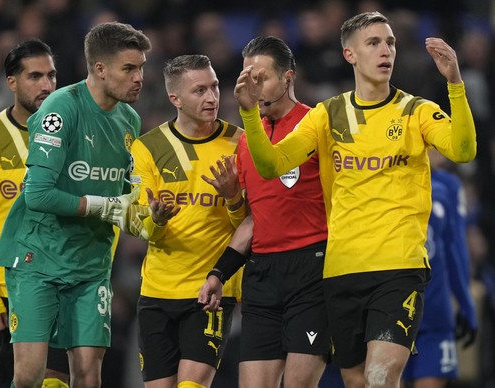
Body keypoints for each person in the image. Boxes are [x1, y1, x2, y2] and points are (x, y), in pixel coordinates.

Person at [234, 11, 476, 387]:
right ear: (350, 54)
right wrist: (250, 113)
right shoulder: (326, 115)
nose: (386, 51)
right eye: (374, 43)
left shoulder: (416, 111)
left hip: (398, 267)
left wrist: (455, 84)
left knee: (382, 376)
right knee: (357, 380)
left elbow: (462, 149)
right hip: (341, 270)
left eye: (391, 43)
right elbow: (272, 165)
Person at [0, 22, 152, 388]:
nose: (140, 77)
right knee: (29, 375)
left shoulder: (130, 120)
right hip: (39, 257)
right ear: (99, 68)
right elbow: (38, 194)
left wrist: (144, 217)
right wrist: (101, 206)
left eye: (142, 67)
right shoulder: (60, 109)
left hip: (91, 263)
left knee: (87, 376)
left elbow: (123, 197)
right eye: (129, 68)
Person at [197, 36, 329, 388]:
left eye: (261, 78)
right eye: (246, 78)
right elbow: (256, 218)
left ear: (288, 78)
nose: (251, 87)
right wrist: (218, 272)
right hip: (262, 276)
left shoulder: (317, 126)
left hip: (312, 270)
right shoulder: (245, 144)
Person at [0, 39, 73, 388]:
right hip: (9, 286)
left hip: (64, 280)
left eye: (51, 76)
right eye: (35, 76)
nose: (47, 85)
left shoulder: (76, 132)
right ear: (12, 82)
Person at [129, 54, 246, 388]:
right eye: (199, 91)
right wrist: (157, 219)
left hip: (211, 291)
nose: (211, 97)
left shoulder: (239, 143)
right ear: (175, 98)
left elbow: (249, 224)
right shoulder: (147, 148)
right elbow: (141, 227)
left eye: (214, 87)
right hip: (156, 292)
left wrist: (232, 197)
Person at [402, 150, 478, 387]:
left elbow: (456, 248)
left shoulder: (449, 187)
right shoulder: (388, 181)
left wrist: (465, 303)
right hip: (393, 308)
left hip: (435, 310)